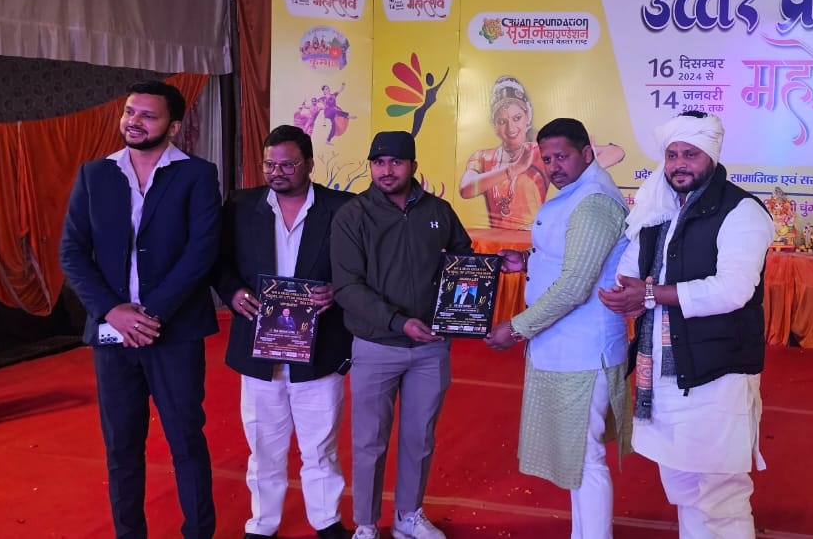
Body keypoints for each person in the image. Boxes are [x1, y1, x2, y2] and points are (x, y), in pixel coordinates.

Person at [597, 111, 774, 538]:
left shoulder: (742, 211)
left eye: (690, 154)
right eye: (672, 154)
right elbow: (631, 269)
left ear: (711, 155)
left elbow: (733, 289)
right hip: (661, 371)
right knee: (684, 486)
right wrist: (625, 293)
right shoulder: (659, 208)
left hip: (715, 372)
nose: (679, 164)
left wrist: (650, 293)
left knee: (720, 494)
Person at [59, 80, 221, 538]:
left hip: (175, 333)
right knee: (121, 447)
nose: (134, 121)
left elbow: (202, 251)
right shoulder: (95, 174)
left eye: (149, 115)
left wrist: (150, 316)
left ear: (173, 126)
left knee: (186, 441)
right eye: (130, 111)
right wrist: (112, 311)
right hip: (112, 338)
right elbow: (72, 252)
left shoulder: (197, 174)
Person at [483, 118, 630, 538]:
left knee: (586, 459)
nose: (553, 167)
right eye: (546, 159)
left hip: (583, 350)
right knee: (578, 458)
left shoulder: (594, 201)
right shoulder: (577, 194)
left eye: (561, 156)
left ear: (587, 152)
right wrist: (527, 261)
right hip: (566, 346)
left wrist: (517, 328)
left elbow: (575, 285)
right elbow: (570, 257)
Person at [212, 125, 355, 539]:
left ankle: (326, 522)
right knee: (264, 448)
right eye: (269, 165)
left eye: (288, 165)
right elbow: (218, 261)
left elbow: (361, 266)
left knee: (320, 448)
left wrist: (338, 290)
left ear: (309, 163)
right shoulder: (241, 205)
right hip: (258, 350)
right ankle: (262, 525)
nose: (277, 172)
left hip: (320, 349)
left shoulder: (342, 208)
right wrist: (233, 292)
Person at [331, 131, 473, 539]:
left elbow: (464, 264)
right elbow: (347, 287)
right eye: (378, 163)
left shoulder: (439, 211)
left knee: (419, 438)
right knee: (368, 441)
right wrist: (398, 321)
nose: (386, 170)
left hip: (431, 348)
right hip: (375, 345)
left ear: (413, 166)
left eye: (396, 162)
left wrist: (485, 278)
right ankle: (365, 523)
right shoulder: (353, 215)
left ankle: (408, 515)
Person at [460, 75, 625, 230]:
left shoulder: (541, 152)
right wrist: (513, 169)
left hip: (534, 240)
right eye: (502, 121)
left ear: (528, 117)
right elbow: (466, 189)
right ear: (494, 124)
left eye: (517, 118)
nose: (511, 128)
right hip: (494, 244)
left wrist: (582, 169)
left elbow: (616, 152)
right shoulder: (482, 157)